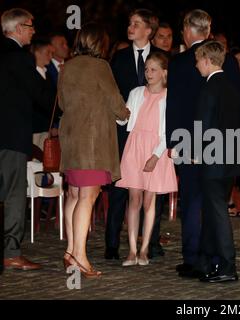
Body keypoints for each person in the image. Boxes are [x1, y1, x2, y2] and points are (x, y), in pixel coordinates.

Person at [165, 9, 240, 278]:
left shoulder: (177, 63)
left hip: (192, 144)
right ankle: (212, 260)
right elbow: (235, 104)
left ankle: (195, 258)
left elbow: (173, 106)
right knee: (213, 203)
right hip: (225, 146)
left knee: (193, 200)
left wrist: (173, 143)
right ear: (208, 31)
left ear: (188, 29)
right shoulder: (229, 62)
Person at [59, 22, 130, 277]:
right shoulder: (100, 66)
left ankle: (70, 251)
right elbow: (115, 100)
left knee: (75, 196)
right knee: (88, 198)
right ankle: (80, 256)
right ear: (100, 43)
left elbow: (63, 102)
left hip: (71, 139)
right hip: (92, 142)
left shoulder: (68, 66)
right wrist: (125, 114)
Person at [106, 9, 165, 261]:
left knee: (152, 194)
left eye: (136, 24)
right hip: (124, 135)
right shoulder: (117, 58)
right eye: (129, 23)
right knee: (122, 191)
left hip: (155, 138)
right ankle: (113, 243)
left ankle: (150, 244)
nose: (130, 27)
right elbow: (111, 94)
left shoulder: (162, 59)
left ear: (148, 30)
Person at [1, 8, 53, 271]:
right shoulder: (19, 57)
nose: (34, 30)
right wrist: (60, 105)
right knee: (14, 194)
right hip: (10, 137)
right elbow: (40, 93)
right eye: (31, 26)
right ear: (19, 28)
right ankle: (11, 252)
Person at [117, 52, 177, 266]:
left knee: (150, 201)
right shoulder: (136, 92)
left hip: (155, 149)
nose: (148, 73)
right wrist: (117, 110)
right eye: (146, 69)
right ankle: (132, 250)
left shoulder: (170, 96)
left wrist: (155, 156)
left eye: (153, 69)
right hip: (135, 147)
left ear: (164, 73)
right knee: (134, 199)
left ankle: (144, 249)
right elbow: (124, 119)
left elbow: (167, 131)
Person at [194, 41, 240, 283]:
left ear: (206, 60)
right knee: (216, 211)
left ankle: (227, 266)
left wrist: (193, 151)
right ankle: (212, 261)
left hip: (213, 160)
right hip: (231, 159)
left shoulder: (209, 88)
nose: (196, 65)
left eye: (197, 60)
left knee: (218, 212)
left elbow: (202, 125)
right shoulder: (232, 87)